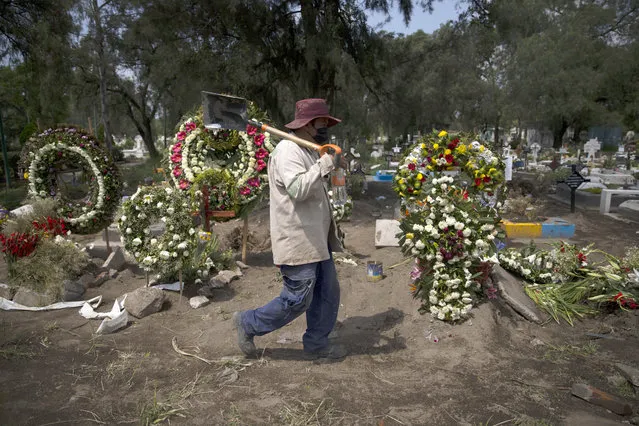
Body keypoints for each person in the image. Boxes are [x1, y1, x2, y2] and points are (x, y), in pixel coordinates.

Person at [233, 98, 347, 360]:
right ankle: (248, 323)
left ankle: (317, 344)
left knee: (327, 292)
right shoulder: (287, 151)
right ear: (309, 124)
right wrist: (323, 165)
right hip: (298, 239)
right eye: (323, 122)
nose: (325, 126)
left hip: (317, 239)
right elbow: (298, 190)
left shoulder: (307, 149)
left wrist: (330, 164)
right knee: (298, 299)